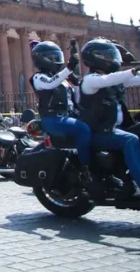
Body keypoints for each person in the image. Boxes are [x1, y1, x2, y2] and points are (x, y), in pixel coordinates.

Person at [78, 38, 140, 199]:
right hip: (99, 131)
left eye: (112, 55)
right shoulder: (91, 80)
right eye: (107, 56)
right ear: (95, 58)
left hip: (115, 129)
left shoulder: (116, 79)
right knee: (130, 140)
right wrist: (135, 70)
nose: (113, 59)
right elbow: (109, 80)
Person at [29, 41, 96, 189]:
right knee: (82, 129)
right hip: (52, 118)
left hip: (68, 116)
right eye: (51, 56)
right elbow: (50, 84)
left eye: (56, 56)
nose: (55, 59)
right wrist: (68, 69)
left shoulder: (64, 81)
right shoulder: (39, 77)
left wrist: (77, 83)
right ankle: (87, 168)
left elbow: (77, 99)